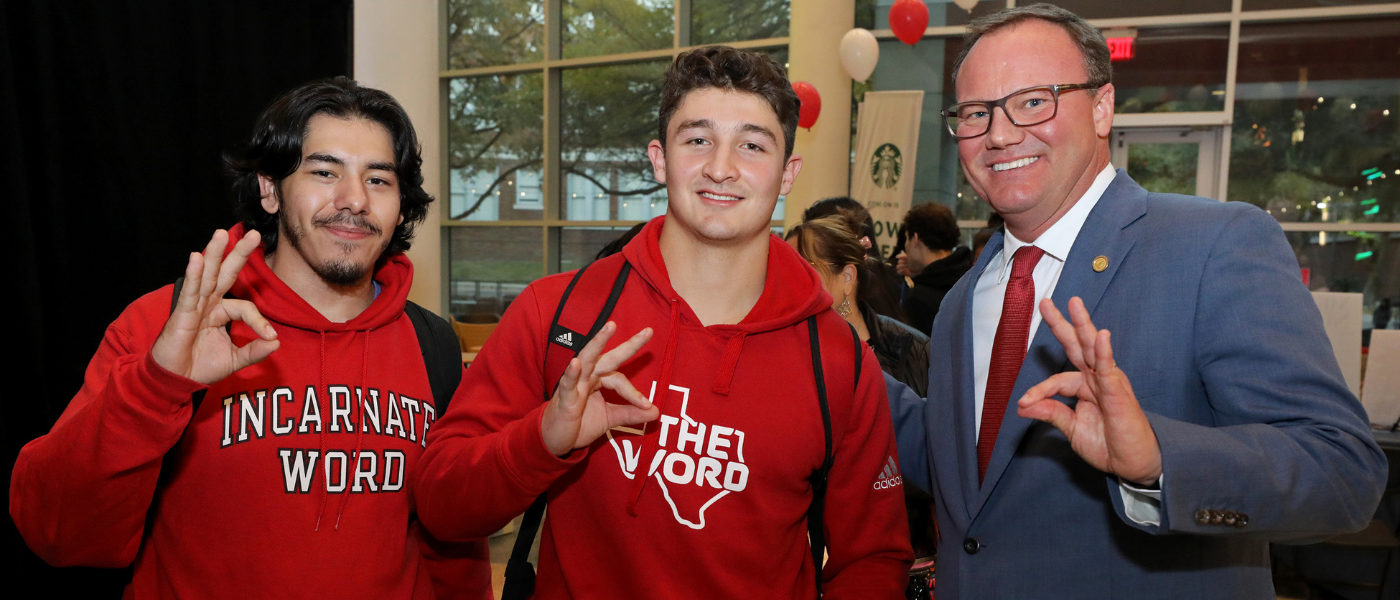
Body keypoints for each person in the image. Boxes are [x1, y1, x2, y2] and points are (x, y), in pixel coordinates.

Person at [884, 5, 1387, 598]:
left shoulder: (1213, 246)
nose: (998, 133)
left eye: (1032, 101)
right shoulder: (965, 298)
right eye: (976, 112)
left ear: (1102, 108)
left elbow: (1343, 474)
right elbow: (965, 476)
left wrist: (1159, 461)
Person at [415, 46, 912, 599]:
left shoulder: (836, 359)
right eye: (697, 139)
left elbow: (873, 557)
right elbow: (441, 506)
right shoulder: (559, 314)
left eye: (752, 145)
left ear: (788, 172)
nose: (720, 167)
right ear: (658, 159)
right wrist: (542, 440)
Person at [9, 77, 490, 599]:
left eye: (379, 180)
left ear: (400, 204)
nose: (354, 200)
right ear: (270, 189)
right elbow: (58, 534)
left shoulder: (433, 345)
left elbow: (454, 550)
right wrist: (156, 387)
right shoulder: (169, 328)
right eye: (324, 172)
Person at [786, 213, 937, 562]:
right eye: (781, 266)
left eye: (804, 266)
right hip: (810, 549)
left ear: (847, 277)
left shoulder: (911, 349)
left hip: (904, 549)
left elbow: (934, 457)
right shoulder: (785, 353)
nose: (789, 279)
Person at [899, 202, 973, 333]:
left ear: (916, 238)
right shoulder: (970, 277)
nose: (905, 247)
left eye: (906, 239)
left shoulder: (918, 301)